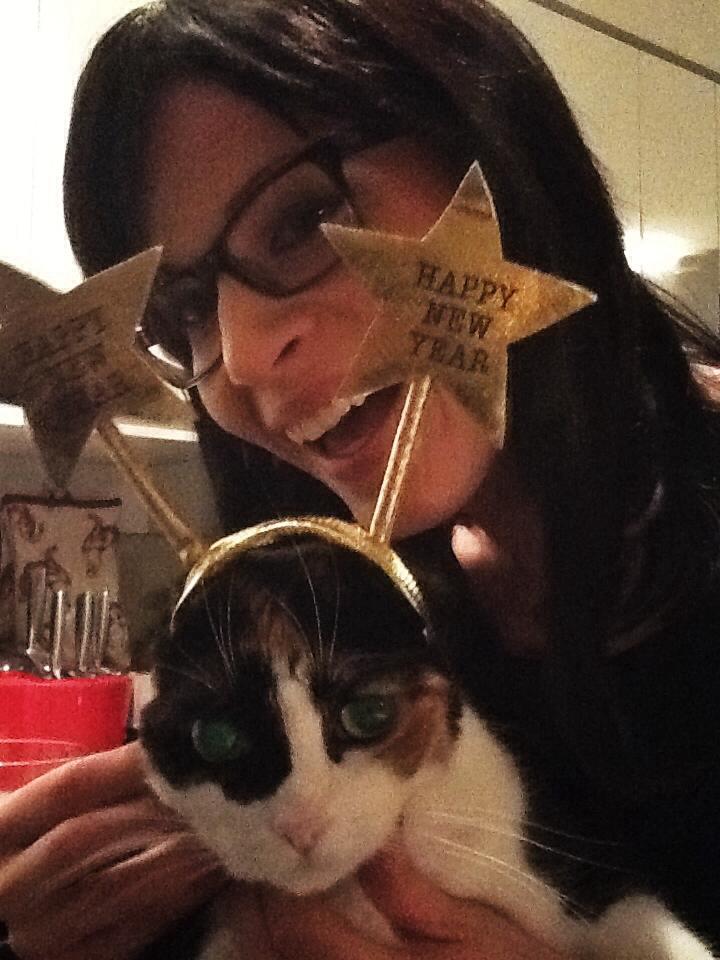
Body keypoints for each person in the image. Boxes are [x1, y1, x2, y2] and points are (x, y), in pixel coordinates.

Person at [1, 1, 719, 958]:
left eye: (303, 219)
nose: (244, 358)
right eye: (184, 310)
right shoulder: (331, 607)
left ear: (492, 143)